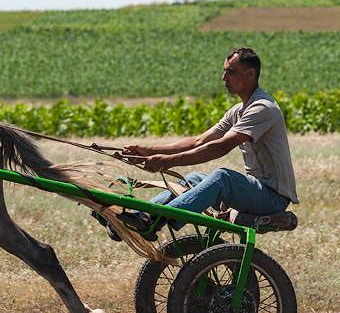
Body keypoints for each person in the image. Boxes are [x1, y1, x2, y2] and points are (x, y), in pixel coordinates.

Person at [115, 47, 298, 239]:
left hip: (272, 198)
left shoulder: (263, 108)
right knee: (193, 178)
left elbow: (221, 146)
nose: (224, 77)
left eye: (231, 72)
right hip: (255, 190)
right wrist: (147, 150)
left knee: (222, 178)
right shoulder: (237, 111)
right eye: (224, 71)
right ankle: (139, 215)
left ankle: (154, 219)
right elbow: (199, 141)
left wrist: (168, 161)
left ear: (250, 73)